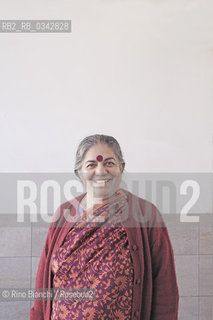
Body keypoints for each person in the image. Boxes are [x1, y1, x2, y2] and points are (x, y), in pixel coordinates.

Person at [30, 134, 179, 320]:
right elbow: (43, 283)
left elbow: (165, 288)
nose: (101, 171)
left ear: (121, 168)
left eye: (109, 163)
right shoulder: (64, 214)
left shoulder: (145, 215)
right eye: (91, 165)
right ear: (79, 172)